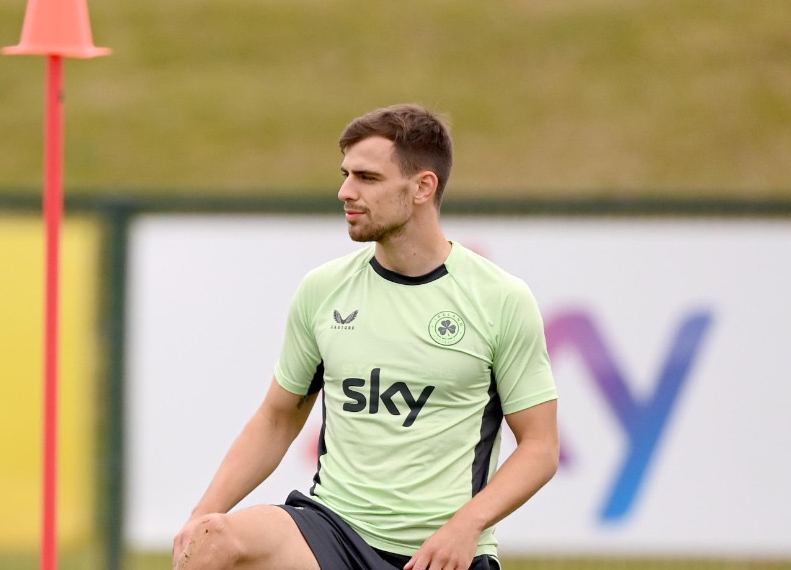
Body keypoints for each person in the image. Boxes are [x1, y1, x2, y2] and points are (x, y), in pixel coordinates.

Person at [171, 104, 559, 570]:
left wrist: (466, 526)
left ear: (422, 187)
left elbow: (540, 447)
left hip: (441, 550)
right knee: (215, 540)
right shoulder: (324, 289)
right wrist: (199, 517)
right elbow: (278, 417)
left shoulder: (501, 299)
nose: (345, 191)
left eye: (367, 178)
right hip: (331, 531)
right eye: (346, 174)